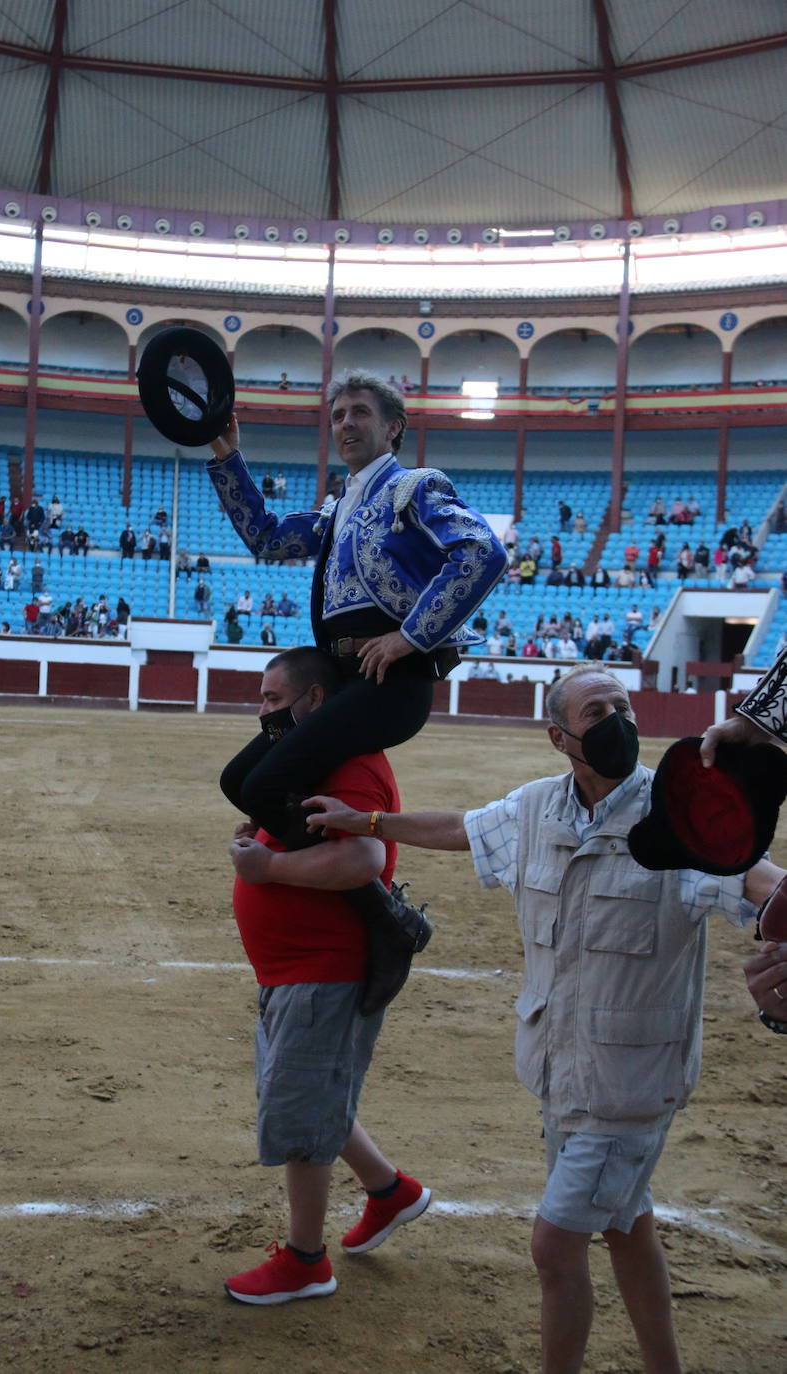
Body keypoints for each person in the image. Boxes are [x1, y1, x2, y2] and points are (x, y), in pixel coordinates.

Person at [304, 665, 785, 1373]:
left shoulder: (680, 811)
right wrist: (368, 822)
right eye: (597, 711)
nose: (617, 719)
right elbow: (464, 829)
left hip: (632, 1084)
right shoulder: (536, 808)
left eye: (623, 705)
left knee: (554, 1245)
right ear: (559, 736)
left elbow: (753, 876)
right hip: (561, 1069)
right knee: (628, 1228)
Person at [209, 369, 505, 1001]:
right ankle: (378, 908)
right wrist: (227, 455)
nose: (345, 423)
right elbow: (265, 537)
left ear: (392, 426)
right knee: (239, 780)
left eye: (360, 413)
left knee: (265, 783)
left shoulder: (415, 488)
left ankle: (379, 913)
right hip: (343, 681)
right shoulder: (337, 507)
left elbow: (482, 551)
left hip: (391, 683)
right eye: (338, 414)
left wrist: (412, 636)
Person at [223, 648, 430, 1304]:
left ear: (315, 701)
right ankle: (390, 1191)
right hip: (297, 969)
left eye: (272, 699)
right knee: (305, 1093)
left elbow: (363, 859)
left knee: (303, 1108)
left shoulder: (353, 758)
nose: (263, 713)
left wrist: (270, 870)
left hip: (326, 969)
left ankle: (307, 1259)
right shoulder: (315, 756)